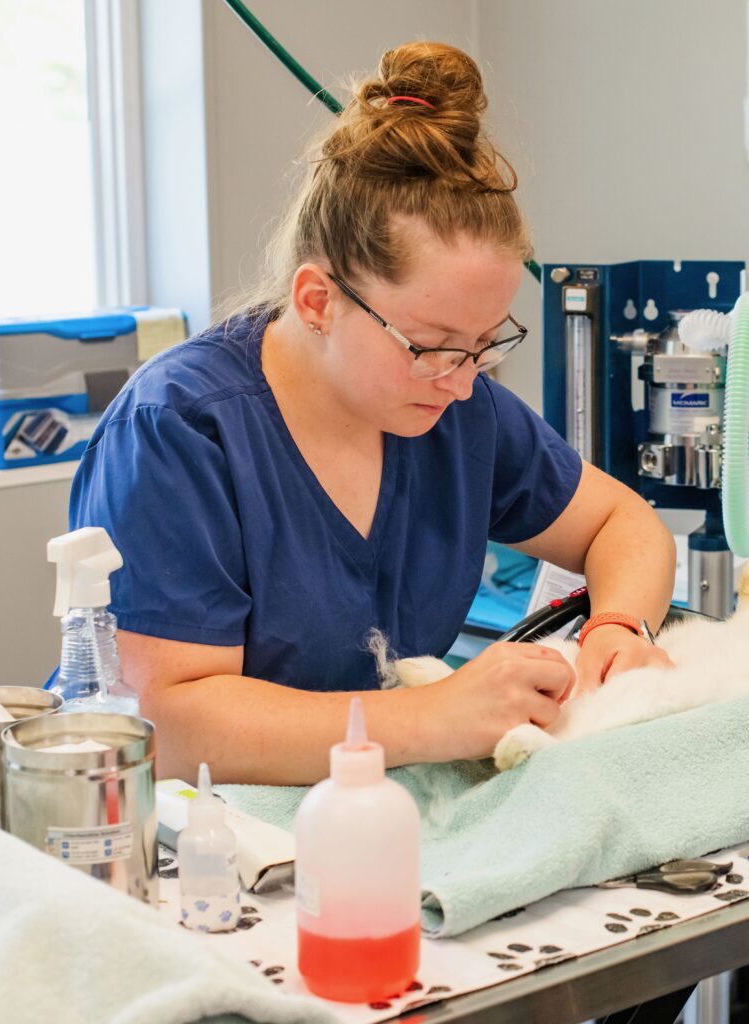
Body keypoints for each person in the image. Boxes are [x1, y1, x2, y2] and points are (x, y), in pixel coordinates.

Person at [70, 41, 675, 785]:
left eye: (486, 344)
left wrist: (619, 625)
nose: (461, 381)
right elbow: (172, 721)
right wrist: (432, 717)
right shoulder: (179, 429)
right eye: (430, 345)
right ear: (317, 301)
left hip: (354, 804)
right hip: (160, 829)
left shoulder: (455, 408)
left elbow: (625, 526)